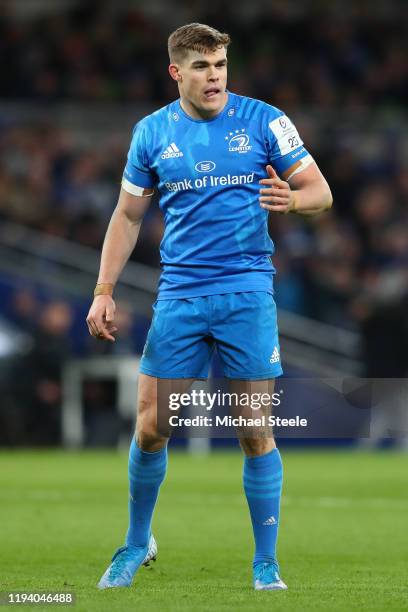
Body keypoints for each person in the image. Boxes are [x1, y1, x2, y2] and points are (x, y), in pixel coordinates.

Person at [86, 22, 332, 592]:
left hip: (247, 291)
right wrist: (103, 290)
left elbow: (320, 191)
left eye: (220, 64)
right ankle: (134, 542)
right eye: (200, 66)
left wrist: (293, 199)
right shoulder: (151, 133)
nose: (214, 75)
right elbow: (127, 217)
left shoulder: (265, 120)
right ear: (177, 72)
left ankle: (265, 562)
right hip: (180, 294)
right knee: (153, 427)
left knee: (253, 428)